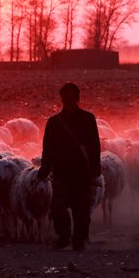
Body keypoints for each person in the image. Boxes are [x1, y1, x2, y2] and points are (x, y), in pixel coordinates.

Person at [37, 82, 102, 251]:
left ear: (77, 98)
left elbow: (94, 145)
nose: (68, 100)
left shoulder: (88, 119)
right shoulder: (54, 122)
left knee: (82, 208)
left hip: (82, 172)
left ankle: (79, 239)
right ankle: (64, 237)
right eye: (65, 97)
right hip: (61, 172)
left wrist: (95, 168)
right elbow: (48, 148)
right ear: (62, 99)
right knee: (57, 207)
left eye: (71, 96)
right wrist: (44, 170)